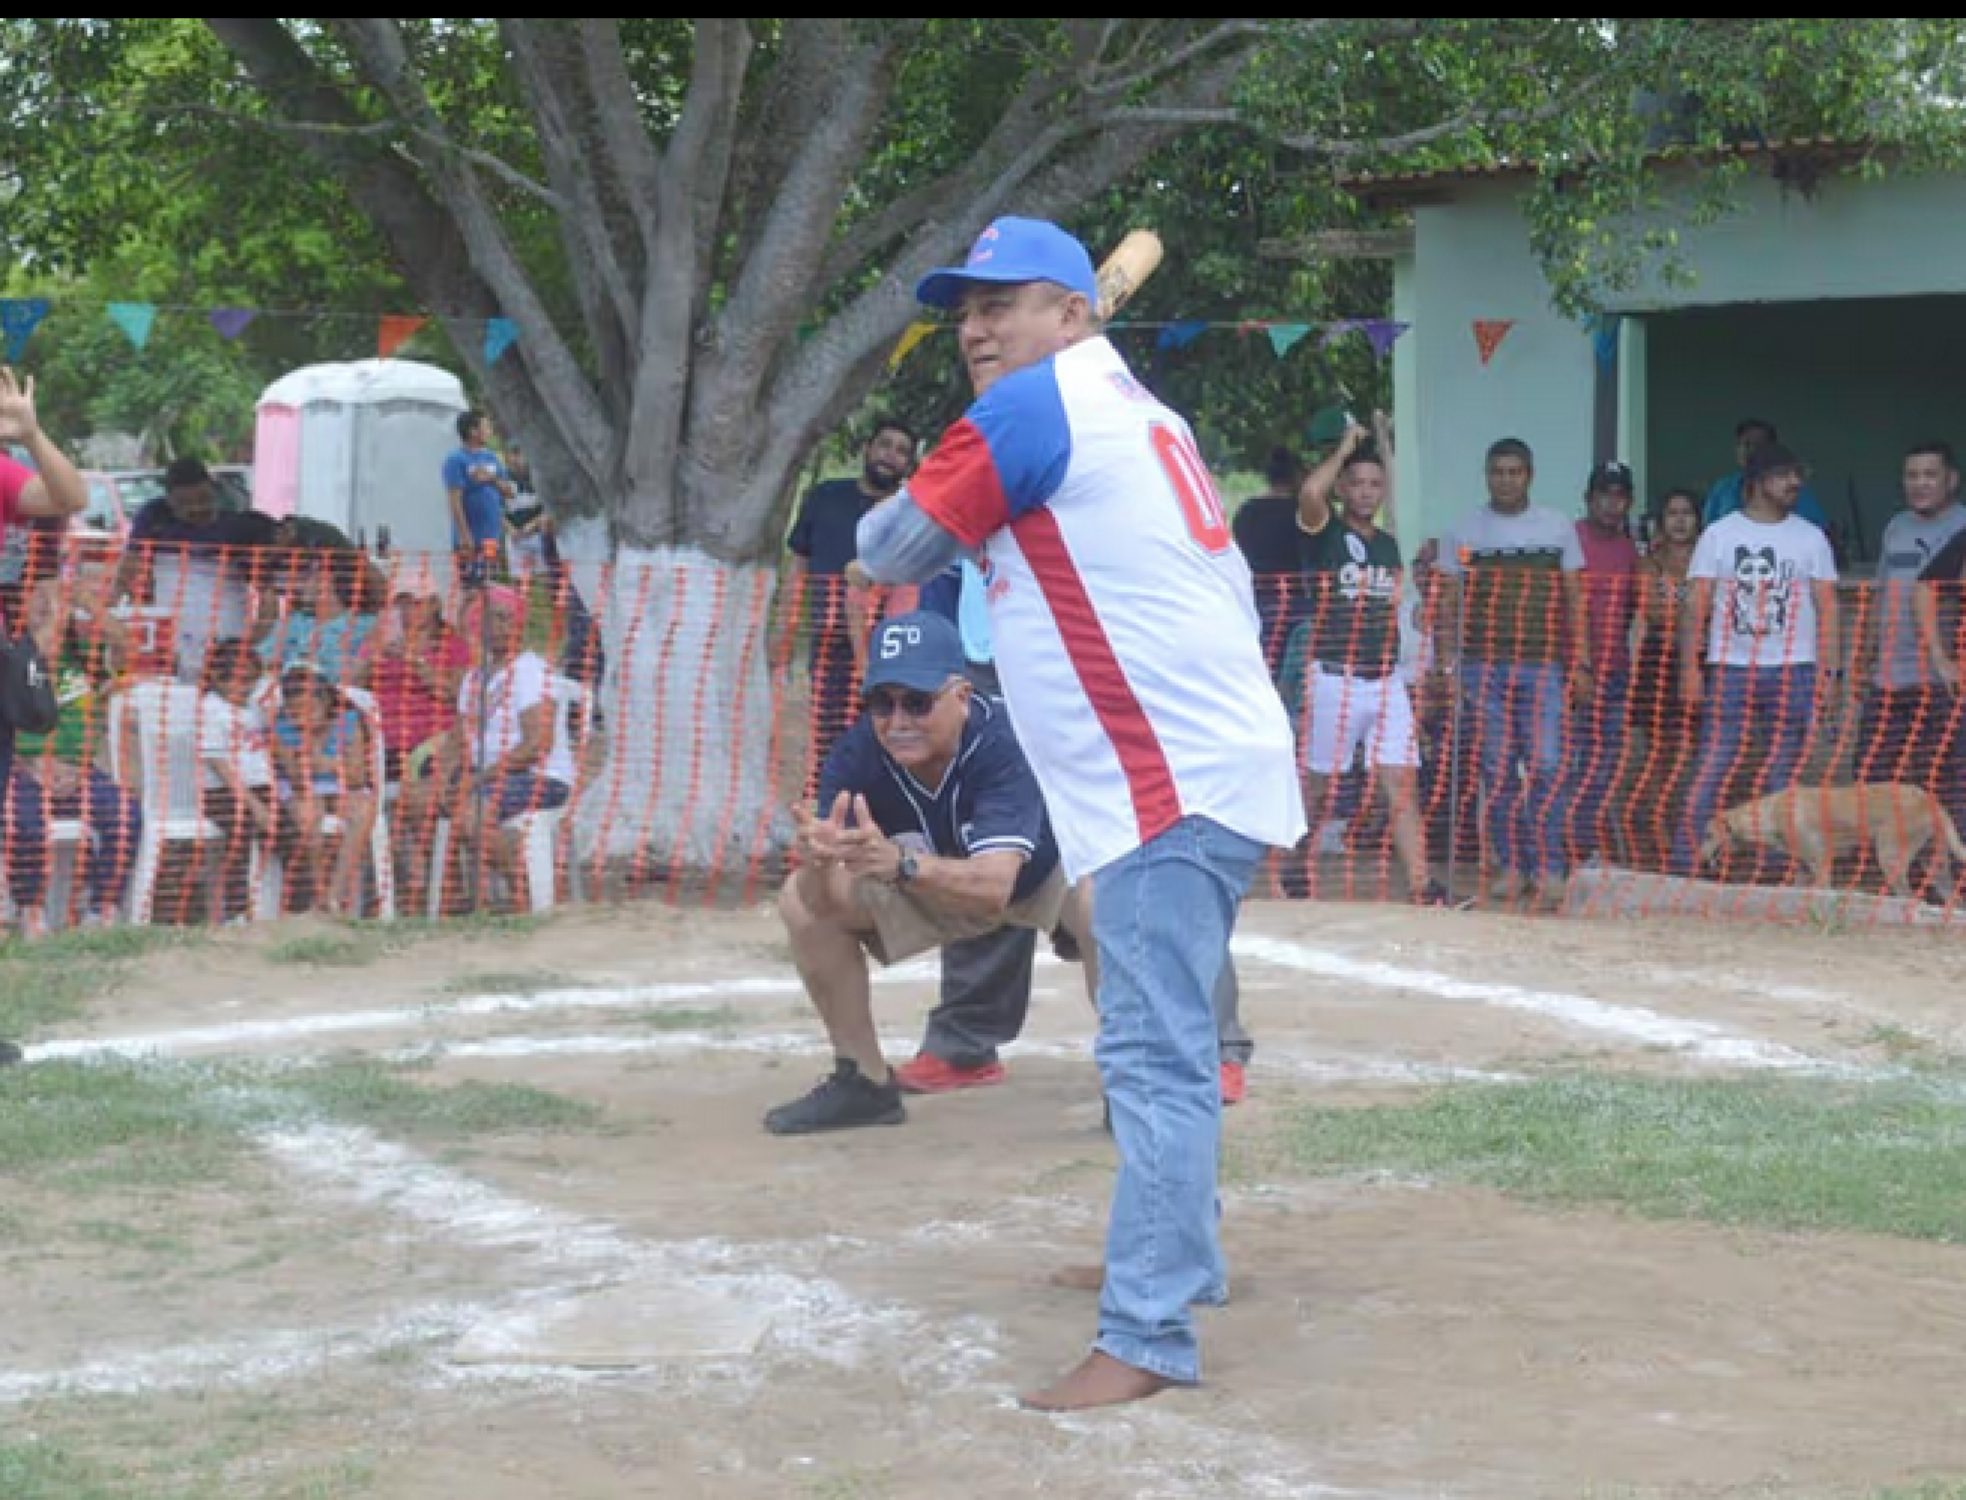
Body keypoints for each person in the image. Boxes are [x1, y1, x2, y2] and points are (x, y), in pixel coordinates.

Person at [854, 215, 1305, 1411]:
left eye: (1005, 303)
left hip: (1168, 779)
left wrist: (948, 459)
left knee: (1151, 1057)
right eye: (963, 311)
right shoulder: (1138, 411)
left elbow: (884, 545)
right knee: (1164, 1043)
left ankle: (1147, 1333)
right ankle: (1183, 1265)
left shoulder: (1034, 410)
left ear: (1074, 311)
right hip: (1195, 768)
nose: (976, 327)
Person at [766, 611, 1094, 1135]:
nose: (898, 720)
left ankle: (1138, 1080)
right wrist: (818, 860)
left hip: (1041, 875)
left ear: (961, 695)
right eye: (882, 702)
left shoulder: (1006, 740)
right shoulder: (858, 755)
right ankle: (863, 1083)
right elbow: (824, 902)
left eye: (917, 701)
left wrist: (901, 864)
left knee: (1111, 898)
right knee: (798, 903)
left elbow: (994, 888)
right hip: (932, 885)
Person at [1293, 415, 1445, 905]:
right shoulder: (1326, 533)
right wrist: (1344, 448)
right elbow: (1310, 496)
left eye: (1375, 484)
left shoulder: (1388, 545)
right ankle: (1297, 861)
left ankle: (1422, 883)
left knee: (1400, 782)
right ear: (1343, 487)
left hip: (1383, 679)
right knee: (1319, 787)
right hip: (1334, 677)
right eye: (1356, 483)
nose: (1366, 492)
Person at [1434, 438, 1592, 909]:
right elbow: (1449, 600)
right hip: (1483, 667)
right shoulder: (1464, 529)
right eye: (1497, 472)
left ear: (1530, 475)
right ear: (1487, 475)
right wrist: (1447, 664)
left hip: (1542, 665)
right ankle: (1510, 866)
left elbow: (1574, 600)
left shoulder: (1557, 527)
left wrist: (1580, 661)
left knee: (1546, 766)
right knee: (1498, 772)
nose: (1505, 480)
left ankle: (1550, 869)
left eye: (1514, 471)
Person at [1674, 442, 1841, 878]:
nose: (1795, 483)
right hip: (1730, 667)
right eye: (1785, 475)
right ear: (1756, 482)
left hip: (1795, 670)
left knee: (1781, 779)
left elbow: (1829, 608)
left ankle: (1775, 871)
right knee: (1713, 766)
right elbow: (1695, 605)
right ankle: (1687, 861)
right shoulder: (1719, 534)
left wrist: (1830, 673)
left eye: (1796, 474)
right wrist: (1690, 669)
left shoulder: (1811, 536)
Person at [786, 420, 920, 776]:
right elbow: (798, 562)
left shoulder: (909, 515)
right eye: (885, 445)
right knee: (828, 727)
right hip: (829, 637)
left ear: (909, 466)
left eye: (901, 452)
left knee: (886, 730)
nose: (890, 456)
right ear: (867, 449)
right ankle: (826, 800)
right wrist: (786, 627)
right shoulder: (827, 496)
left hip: (887, 645)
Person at [119, 456, 277, 681]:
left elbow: (268, 596)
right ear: (169, 500)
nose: (197, 508)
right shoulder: (154, 516)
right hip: (171, 631)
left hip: (225, 632)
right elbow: (130, 567)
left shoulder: (242, 526)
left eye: (204, 499)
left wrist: (250, 644)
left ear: (213, 491)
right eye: (185, 504)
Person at [1701, 418, 1833, 533]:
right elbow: (1706, 528)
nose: (1750, 450)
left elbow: (1817, 529)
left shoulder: (1792, 488)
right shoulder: (1723, 487)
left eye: (1757, 445)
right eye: (1745, 444)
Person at [443, 412, 515, 584]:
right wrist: (464, 534)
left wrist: (492, 479)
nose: (490, 431)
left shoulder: (491, 457)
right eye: (486, 427)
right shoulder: (456, 459)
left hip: (491, 535)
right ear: (473, 431)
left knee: (490, 586)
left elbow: (509, 492)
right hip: (470, 537)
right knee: (471, 588)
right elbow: (455, 500)